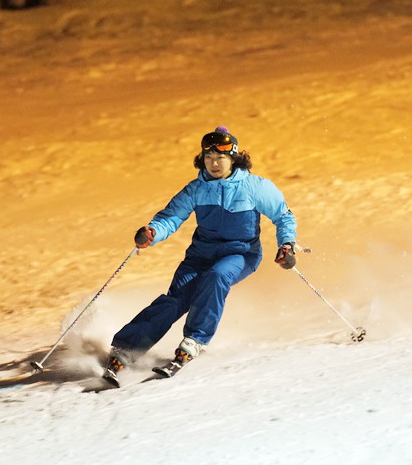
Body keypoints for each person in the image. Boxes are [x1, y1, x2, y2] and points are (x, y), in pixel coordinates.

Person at [103, 126, 297, 383]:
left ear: (234, 159)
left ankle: (194, 340)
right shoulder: (197, 188)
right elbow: (170, 218)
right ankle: (126, 348)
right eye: (209, 158)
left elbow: (283, 216)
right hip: (200, 254)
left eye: (221, 158)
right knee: (176, 299)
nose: (214, 164)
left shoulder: (255, 187)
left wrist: (287, 246)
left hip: (240, 253)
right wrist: (152, 232)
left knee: (217, 276)